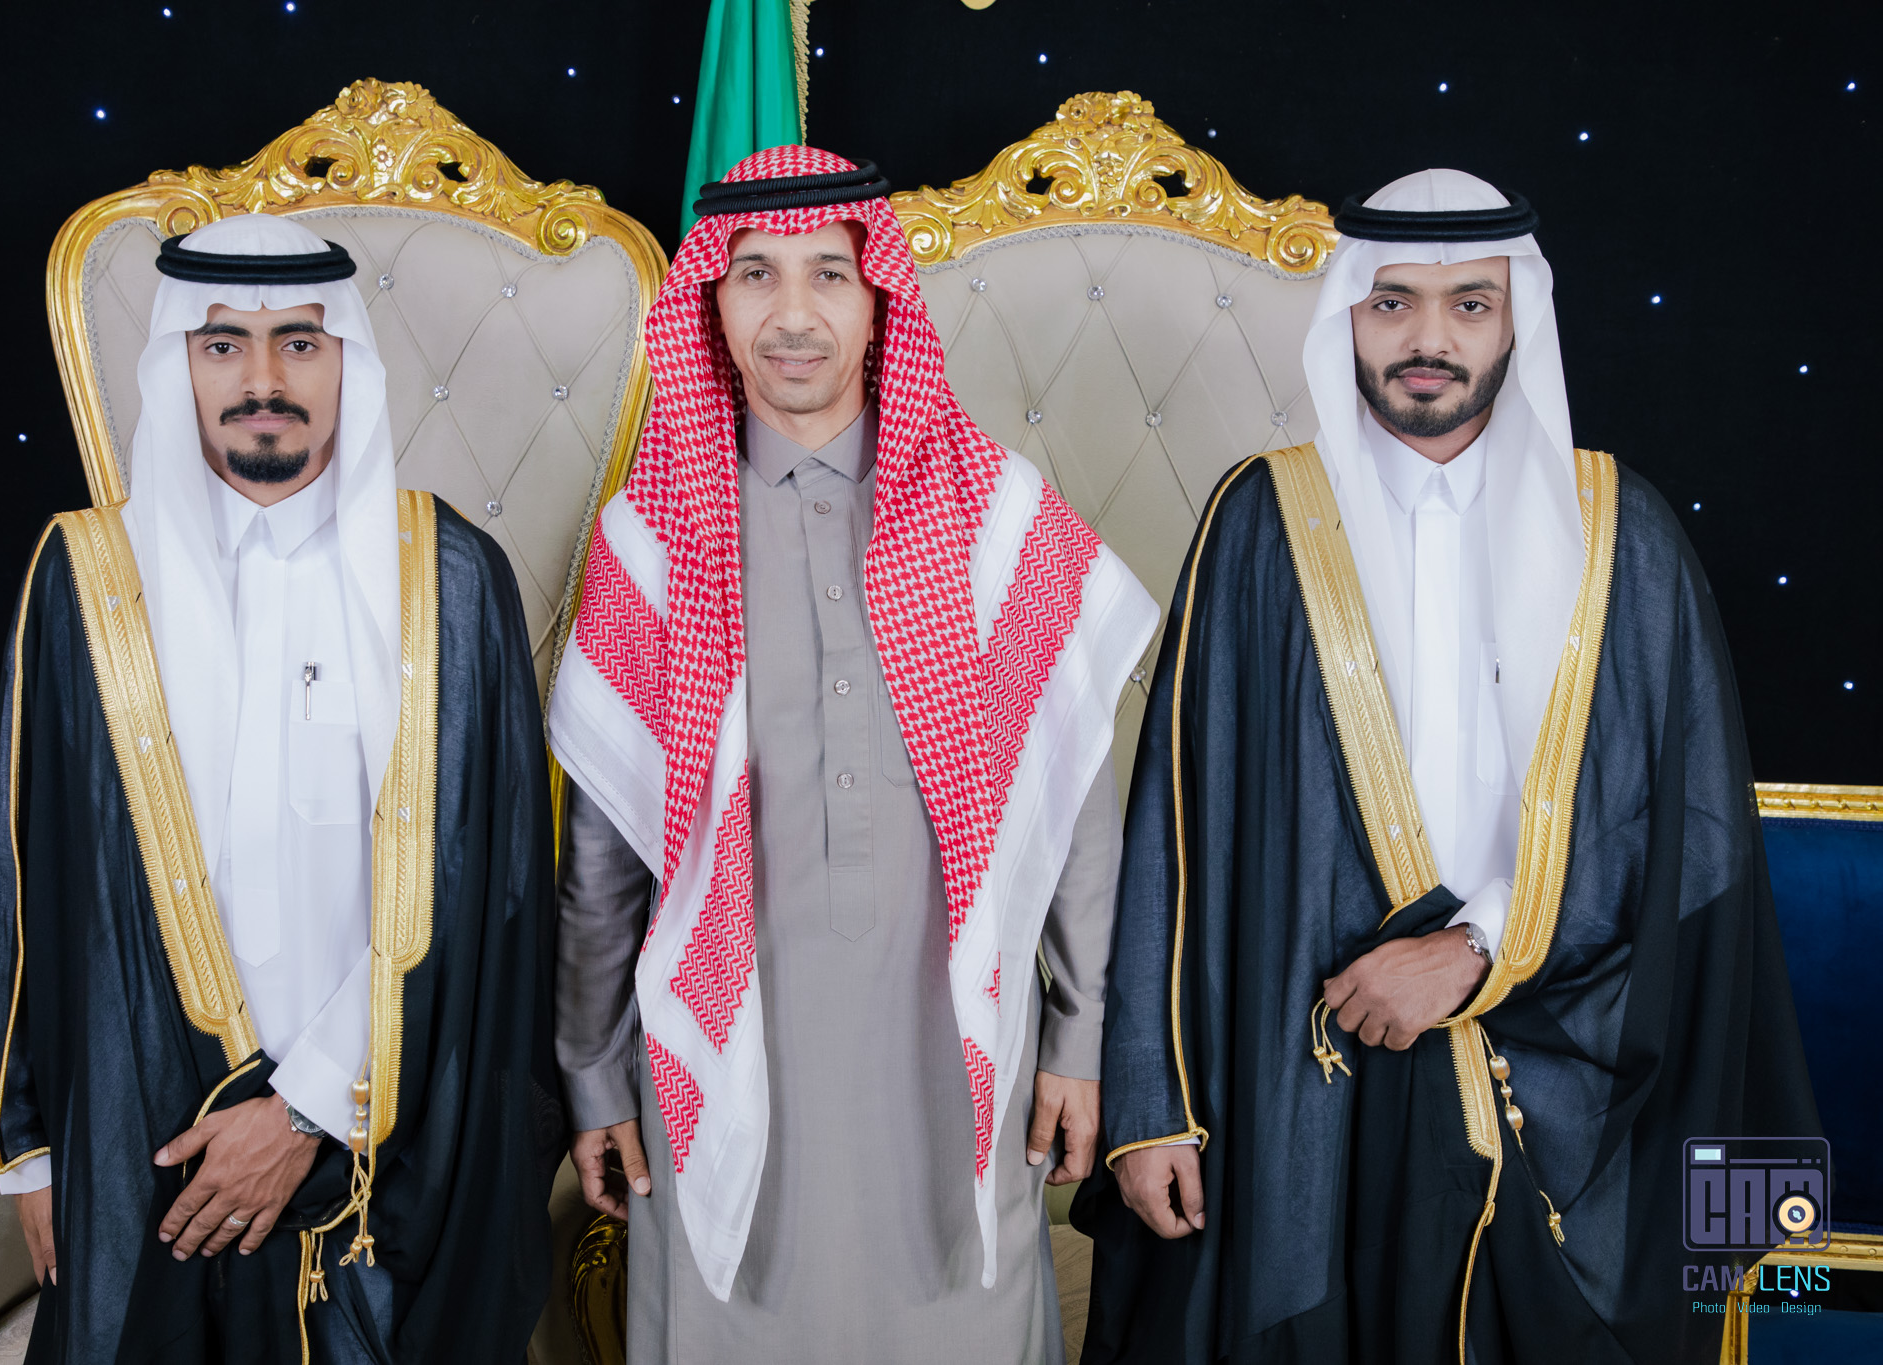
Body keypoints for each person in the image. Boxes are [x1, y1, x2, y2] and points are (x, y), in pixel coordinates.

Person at [1075, 170, 1819, 1363]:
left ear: (1517, 318)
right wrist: (1149, 1104)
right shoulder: (1260, 519)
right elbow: (1176, 821)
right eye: (1392, 303)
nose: (1427, 339)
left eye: (1469, 304)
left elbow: (1681, 834)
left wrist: (1476, 946)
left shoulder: (1618, 534)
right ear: (1346, 317)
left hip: (1559, 1057)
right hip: (1300, 1066)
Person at [549, 147, 1158, 1363]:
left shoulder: (994, 517)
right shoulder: (650, 538)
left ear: (880, 298)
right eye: (755, 276)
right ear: (709, 307)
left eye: (828, 273)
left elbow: (1076, 816)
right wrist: (593, 1073)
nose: (792, 315)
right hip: (718, 1054)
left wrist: (1081, 1042)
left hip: (952, 1053)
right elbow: (601, 860)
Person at [0, 213, 561, 1363]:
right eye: (221, 346)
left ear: (348, 359)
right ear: (177, 365)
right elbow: (26, 872)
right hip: (146, 1128)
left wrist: (306, 1108)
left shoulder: (449, 579)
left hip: (385, 1149)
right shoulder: (84, 578)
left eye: (299, 342)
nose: (262, 381)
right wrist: (31, 1152)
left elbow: (490, 890)